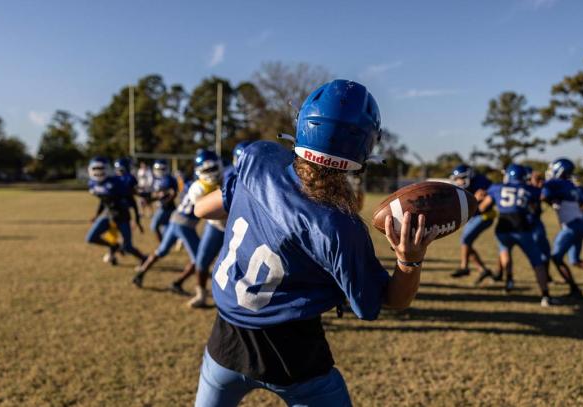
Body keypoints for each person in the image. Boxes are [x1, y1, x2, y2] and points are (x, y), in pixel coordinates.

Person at [191, 80, 438, 406]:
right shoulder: (340, 226)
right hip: (295, 359)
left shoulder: (257, 156)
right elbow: (389, 302)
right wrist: (410, 260)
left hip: (225, 344)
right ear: (365, 146)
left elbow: (201, 208)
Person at [131, 151, 221, 290]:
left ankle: (141, 272)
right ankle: (178, 283)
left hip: (175, 218)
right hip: (185, 224)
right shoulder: (206, 186)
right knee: (200, 260)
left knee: (161, 251)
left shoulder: (194, 183)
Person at [479, 164, 558, 306]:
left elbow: (483, 207)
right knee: (537, 262)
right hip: (522, 227)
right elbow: (537, 204)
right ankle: (545, 295)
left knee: (504, 252)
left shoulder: (496, 188)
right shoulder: (529, 189)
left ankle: (509, 280)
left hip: (503, 226)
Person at [541, 158, 583, 299]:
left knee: (556, 258)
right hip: (579, 224)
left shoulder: (555, 183)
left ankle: (575, 290)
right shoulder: (570, 185)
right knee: (574, 260)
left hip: (571, 227)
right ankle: (575, 289)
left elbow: (543, 196)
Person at [184, 150, 228, 308]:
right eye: (206, 170)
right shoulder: (197, 189)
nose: (210, 174)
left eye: (212, 169)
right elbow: (207, 212)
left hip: (236, 227)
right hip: (216, 227)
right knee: (201, 261)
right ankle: (201, 295)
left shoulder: (231, 176)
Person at [85, 157, 146, 266]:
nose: (98, 171)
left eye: (101, 168)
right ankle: (114, 247)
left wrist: (136, 219)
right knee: (91, 237)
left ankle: (143, 258)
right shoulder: (92, 184)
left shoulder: (117, 183)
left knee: (127, 247)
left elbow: (132, 201)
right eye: (96, 168)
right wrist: (97, 215)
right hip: (108, 215)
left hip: (122, 216)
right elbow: (104, 200)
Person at [450, 164, 495, 284]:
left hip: (485, 215)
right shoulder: (467, 185)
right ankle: (483, 270)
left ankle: (464, 267)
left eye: (461, 178)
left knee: (465, 240)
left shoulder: (482, 182)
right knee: (466, 244)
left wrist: (478, 200)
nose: (459, 181)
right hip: (474, 216)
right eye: (457, 179)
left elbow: (486, 202)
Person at [149, 159, 179, 242]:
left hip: (166, 207)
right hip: (165, 206)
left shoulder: (168, 179)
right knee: (166, 228)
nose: (159, 171)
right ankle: (164, 245)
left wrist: (164, 201)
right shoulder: (158, 179)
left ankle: (162, 246)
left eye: (161, 169)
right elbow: (157, 194)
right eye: (158, 169)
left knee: (154, 225)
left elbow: (173, 193)